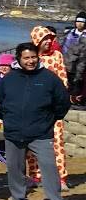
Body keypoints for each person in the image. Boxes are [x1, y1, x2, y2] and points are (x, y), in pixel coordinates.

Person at [0, 43, 72, 200]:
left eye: (33, 57)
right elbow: (1, 100)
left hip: (41, 133)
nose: (30, 61)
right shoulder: (9, 79)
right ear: (19, 59)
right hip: (14, 132)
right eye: (26, 58)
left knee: (49, 167)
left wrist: (49, 120)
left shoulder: (49, 78)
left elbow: (63, 102)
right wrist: (11, 118)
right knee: (15, 169)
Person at [27, 26, 69, 189]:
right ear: (37, 40)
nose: (49, 42)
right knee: (32, 143)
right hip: (33, 110)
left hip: (52, 109)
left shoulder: (57, 56)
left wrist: (58, 103)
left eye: (50, 38)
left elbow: (63, 80)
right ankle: (35, 176)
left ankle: (61, 178)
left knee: (57, 142)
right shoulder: (31, 57)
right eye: (45, 39)